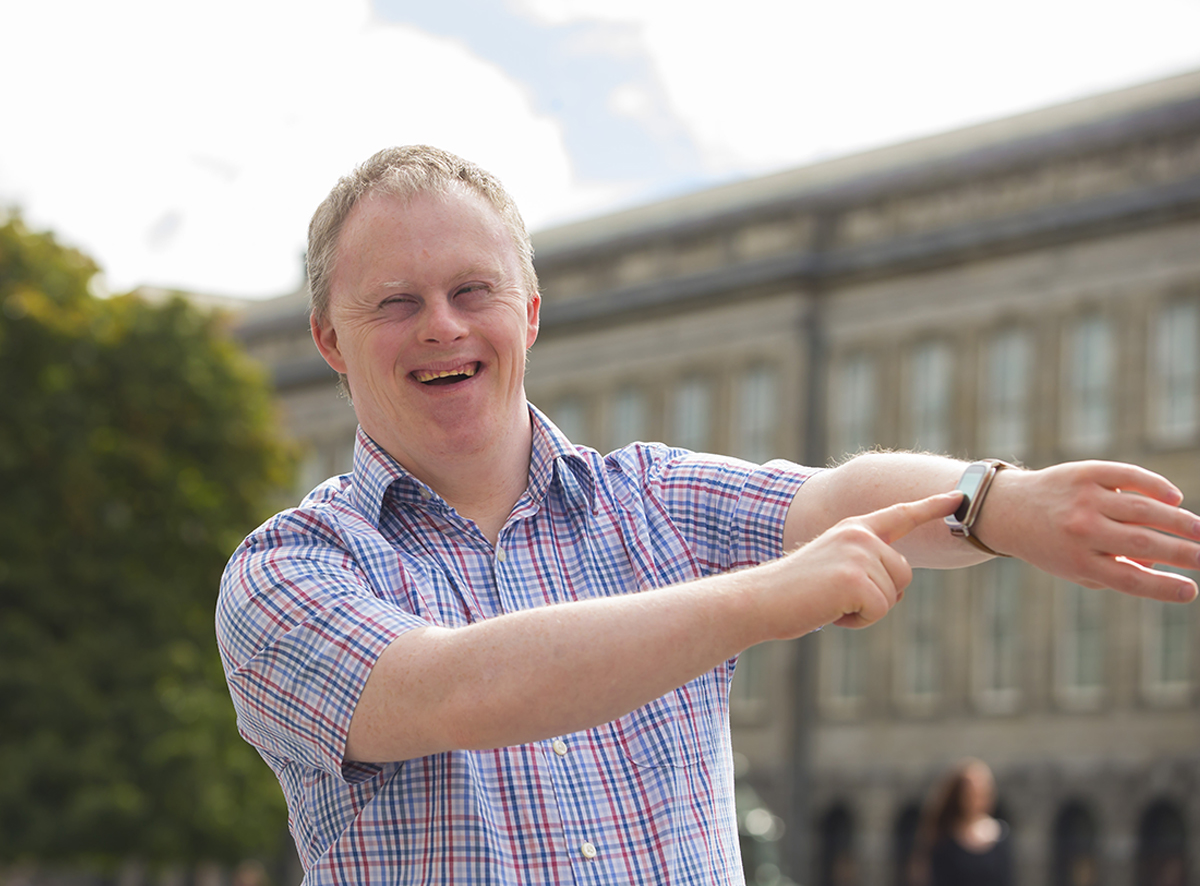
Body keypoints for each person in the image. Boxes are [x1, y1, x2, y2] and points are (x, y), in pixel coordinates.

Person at [215, 145, 1200, 885]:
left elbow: (829, 499)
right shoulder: (289, 573)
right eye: (395, 302)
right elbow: (451, 691)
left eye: (475, 289)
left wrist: (995, 501)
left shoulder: (652, 496)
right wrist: (756, 601)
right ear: (328, 342)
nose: (443, 324)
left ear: (530, 314)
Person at [910, 759, 1013, 886]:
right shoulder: (944, 838)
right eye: (971, 794)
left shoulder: (1000, 835)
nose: (976, 800)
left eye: (982, 793)